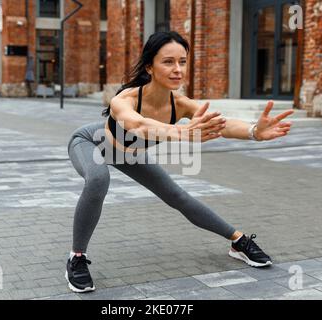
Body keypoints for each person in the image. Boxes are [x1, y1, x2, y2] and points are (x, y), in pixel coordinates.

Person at [65, 31, 294, 293]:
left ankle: (238, 241)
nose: (177, 69)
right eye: (168, 62)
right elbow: (138, 125)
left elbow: (222, 124)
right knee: (98, 179)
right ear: (150, 66)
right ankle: (77, 258)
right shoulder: (125, 99)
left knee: (177, 196)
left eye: (182, 62)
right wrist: (181, 132)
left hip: (129, 154)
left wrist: (254, 131)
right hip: (90, 143)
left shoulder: (181, 104)